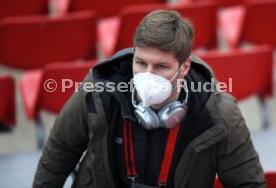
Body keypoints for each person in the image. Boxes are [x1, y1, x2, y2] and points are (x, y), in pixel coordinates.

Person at [33, 10, 266, 188]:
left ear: (183, 68)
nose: (148, 75)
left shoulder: (218, 111)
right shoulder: (97, 92)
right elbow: (59, 151)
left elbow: (247, 182)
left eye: (161, 66)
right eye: (141, 63)